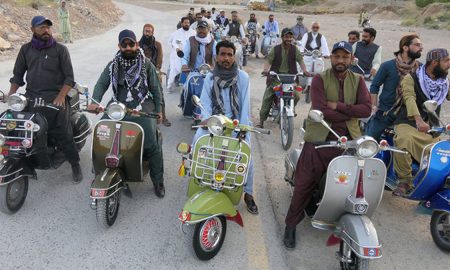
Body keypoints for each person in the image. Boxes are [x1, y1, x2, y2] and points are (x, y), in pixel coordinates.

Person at [283, 41, 371, 249]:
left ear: (351, 59)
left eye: (345, 57)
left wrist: (338, 106)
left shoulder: (358, 80)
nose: (340, 60)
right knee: (305, 182)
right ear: (331, 58)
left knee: (357, 181)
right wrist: (350, 110)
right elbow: (321, 109)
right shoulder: (319, 80)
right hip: (322, 137)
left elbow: (367, 109)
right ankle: (290, 225)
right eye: (337, 56)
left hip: (349, 138)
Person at [88, 29, 166, 198]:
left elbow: (156, 89)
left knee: (151, 142)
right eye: (125, 45)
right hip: (118, 103)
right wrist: (94, 103)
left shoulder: (146, 64)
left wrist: (159, 111)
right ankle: (102, 174)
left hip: (143, 103)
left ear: (136, 45)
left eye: (131, 44)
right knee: (103, 133)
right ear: (119, 46)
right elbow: (102, 84)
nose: (128, 47)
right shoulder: (113, 64)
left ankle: (158, 180)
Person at [9, 16, 82, 182]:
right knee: (19, 127)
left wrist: (61, 96)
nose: (46, 30)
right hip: (32, 96)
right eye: (41, 27)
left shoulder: (61, 50)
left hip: (55, 96)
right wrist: (12, 96)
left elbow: (69, 78)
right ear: (32, 29)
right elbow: (17, 76)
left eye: (48, 27)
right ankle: (26, 158)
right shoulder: (25, 50)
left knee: (62, 131)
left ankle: (74, 164)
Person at [192, 40, 259, 214]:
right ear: (216, 57)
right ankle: (199, 180)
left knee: (247, 155)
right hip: (214, 122)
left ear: (234, 56)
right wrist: (207, 121)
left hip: (237, 123)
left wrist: (242, 130)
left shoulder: (243, 77)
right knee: (198, 141)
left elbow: (245, 106)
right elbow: (205, 103)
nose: (226, 58)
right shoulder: (210, 77)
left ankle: (248, 194)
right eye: (223, 54)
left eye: (230, 54)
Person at [392, 48, 450, 197]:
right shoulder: (411, 78)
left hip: (431, 127)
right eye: (446, 61)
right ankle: (404, 181)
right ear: (434, 63)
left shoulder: (443, 83)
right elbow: (409, 98)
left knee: (440, 152)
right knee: (404, 141)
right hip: (408, 122)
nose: (449, 64)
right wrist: (418, 120)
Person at [366, 34, 423, 141]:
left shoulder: (420, 68)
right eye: (417, 45)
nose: (421, 48)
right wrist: (374, 106)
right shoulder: (388, 66)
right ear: (405, 47)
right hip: (386, 112)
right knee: (369, 141)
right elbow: (374, 86)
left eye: (421, 45)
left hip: (408, 115)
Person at [257, 28, 310, 128]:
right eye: (286, 37)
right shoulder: (275, 49)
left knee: (297, 96)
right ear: (282, 37)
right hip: (276, 79)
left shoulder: (295, 49)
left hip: (290, 80)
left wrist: (305, 71)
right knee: (267, 98)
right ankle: (261, 121)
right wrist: (266, 70)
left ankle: (290, 109)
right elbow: (269, 60)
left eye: (290, 37)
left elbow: (301, 61)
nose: (288, 39)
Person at [139, 23, 171, 127]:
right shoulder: (137, 44)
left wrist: (157, 69)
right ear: (143, 32)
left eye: (149, 31)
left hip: (154, 72)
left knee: (159, 94)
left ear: (153, 32)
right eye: (146, 31)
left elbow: (160, 59)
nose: (147, 33)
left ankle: (163, 116)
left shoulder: (157, 45)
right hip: (140, 73)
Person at [167, 17, 196, 92]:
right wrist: (176, 48)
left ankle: (188, 86)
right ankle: (169, 86)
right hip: (177, 55)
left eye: (188, 23)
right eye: (185, 23)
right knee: (174, 70)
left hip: (189, 55)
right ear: (182, 23)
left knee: (189, 70)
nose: (187, 24)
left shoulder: (193, 33)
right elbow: (171, 42)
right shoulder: (176, 33)